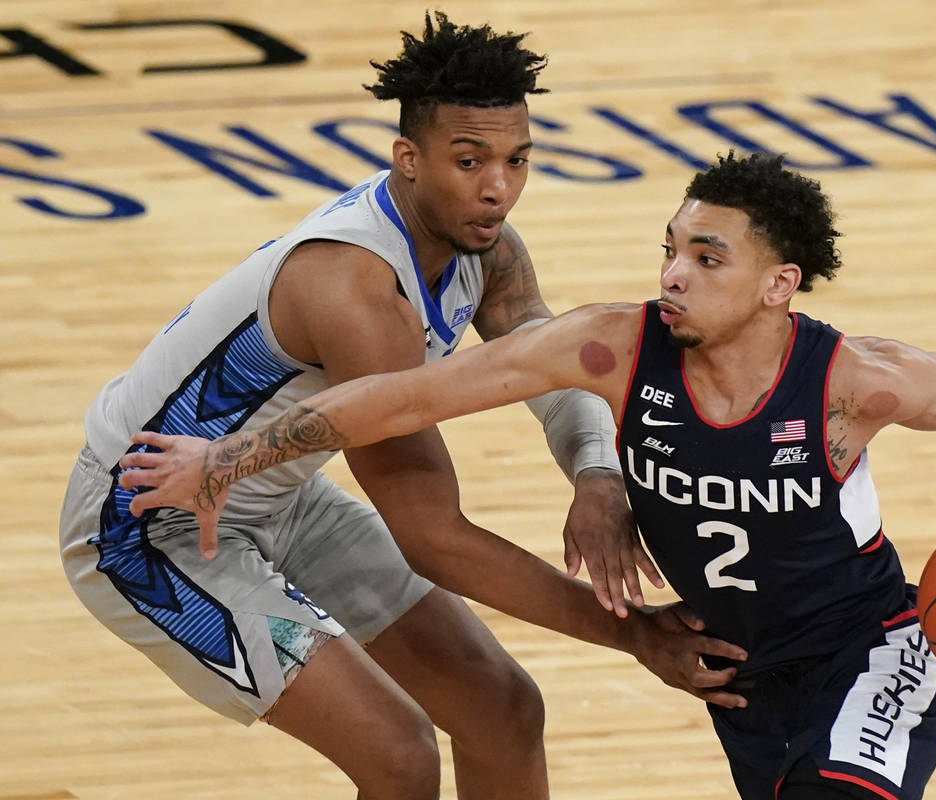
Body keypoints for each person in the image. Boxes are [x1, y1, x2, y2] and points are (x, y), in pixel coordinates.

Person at [119, 150, 936, 800]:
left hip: (868, 651)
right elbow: (401, 399)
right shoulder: (612, 346)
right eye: (672, 248)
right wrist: (228, 458)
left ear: (778, 284)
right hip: (738, 673)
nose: (673, 272)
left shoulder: (852, 380)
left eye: (706, 257)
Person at [59, 13, 750, 800]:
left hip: (276, 494)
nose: (497, 187)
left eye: (516, 159)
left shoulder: (485, 244)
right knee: (400, 756)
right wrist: (635, 636)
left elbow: (555, 370)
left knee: (503, 710)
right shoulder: (356, 289)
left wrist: (597, 475)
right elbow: (433, 537)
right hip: (151, 519)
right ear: (407, 160)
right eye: (469, 161)